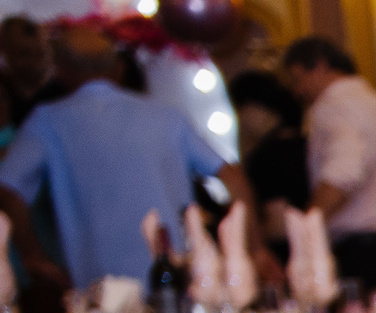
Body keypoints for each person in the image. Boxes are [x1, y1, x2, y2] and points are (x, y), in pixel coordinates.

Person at [0, 23, 253, 290]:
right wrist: (249, 249)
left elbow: (8, 189)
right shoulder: (166, 116)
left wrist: (32, 255)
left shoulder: (48, 122)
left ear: (61, 72)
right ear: (118, 69)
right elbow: (231, 176)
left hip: (101, 285)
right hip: (178, 275)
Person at [277, 35, 376, 292]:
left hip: (363, 256)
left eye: (298, 79)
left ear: (320, 66)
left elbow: (342, 176)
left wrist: (305, 243)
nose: (298, 92)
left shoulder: (333, 106)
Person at [223, 68, 311, 263]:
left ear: (256, 107)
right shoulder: (307, 144)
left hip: (286, 257)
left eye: (239, 109)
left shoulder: (267, 156)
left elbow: (279, 226)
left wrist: (251, 239)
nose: (240, 121)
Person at [0, 15, 67, 132]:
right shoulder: (4, 92)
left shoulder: (65, 94)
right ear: (6, 52)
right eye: (24, 54)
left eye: (41, 53)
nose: (34, 61)